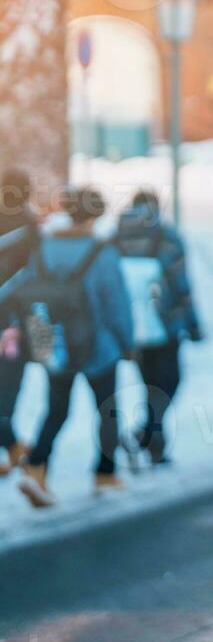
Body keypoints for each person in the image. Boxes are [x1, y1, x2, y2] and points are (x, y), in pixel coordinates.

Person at [17, 186, 134, 507]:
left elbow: (28, 289)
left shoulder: (43, 248)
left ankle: (36, 469)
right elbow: (116, 304)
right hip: (98, 346)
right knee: (107, 409)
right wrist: (127, 342)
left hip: (55, 343)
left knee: (55, 410)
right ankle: (105, 473)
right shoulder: (101, 252)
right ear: (95, 215)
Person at [114, 189, 203, 467]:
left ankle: (155, 446)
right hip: (165, 325)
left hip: (133, 329)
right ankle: (143, 435)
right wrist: (193, 324)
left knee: (150, 385)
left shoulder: (114, 239)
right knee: (169, 382)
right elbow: (181, 284)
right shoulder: (167, 238)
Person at [0, 168, 39, 475]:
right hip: (13, 323)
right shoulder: (31, 227)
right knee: (9, 384)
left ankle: (11, 445)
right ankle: (12, 445)